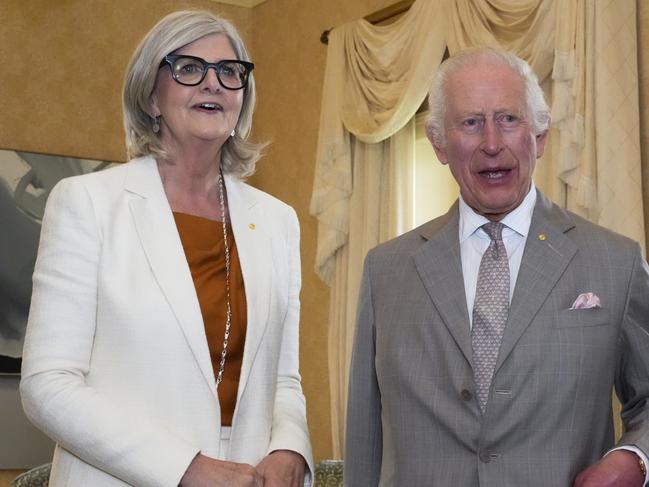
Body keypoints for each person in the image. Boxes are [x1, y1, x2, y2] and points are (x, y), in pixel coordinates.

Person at [20, 10, 313, 487]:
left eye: (229, 72)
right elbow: (47, 386)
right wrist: (186, 469)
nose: (213, 84)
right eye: (188, 68)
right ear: (151, 96)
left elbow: (283, 379)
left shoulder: (278, 221)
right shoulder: (87, 204)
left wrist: (289, 449)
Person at [345, 47, 649, 486]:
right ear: (439, 144)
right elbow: (364, 437)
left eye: (509, 118)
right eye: (470, 122)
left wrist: (634, 457)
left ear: (540, 137)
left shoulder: (614, 261)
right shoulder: (386, 270)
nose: (492, 143)